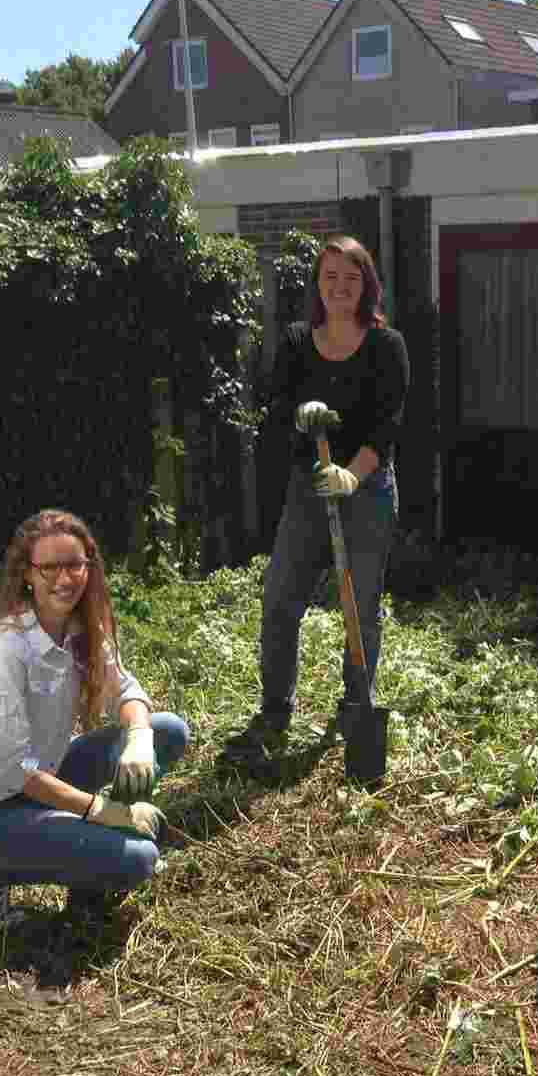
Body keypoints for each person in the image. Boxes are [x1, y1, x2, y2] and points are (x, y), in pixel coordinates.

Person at [0, 509, 189, 928]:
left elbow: (125, 692)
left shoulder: (80, 629)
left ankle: (91, 857)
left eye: (74, 564)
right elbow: (12, 769)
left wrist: (139, 737)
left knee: (167, 730)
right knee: (140, 859)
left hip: (44, 776)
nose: (65, 578)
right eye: (49, 567)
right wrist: (99, 809)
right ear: (27, 575)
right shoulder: (5, 648)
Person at [224, 235, 410, 761]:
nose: (340, 287)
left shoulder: (386, 345)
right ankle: (275, 709)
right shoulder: (296, 341)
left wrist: (352, 475)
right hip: (309, 490)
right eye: (330, 277)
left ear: (366, 285)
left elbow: (387, 422)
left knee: (360, 604)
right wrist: (299, 418)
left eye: (351, 278)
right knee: (281, 597)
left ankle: (357, 706)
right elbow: (278, 402)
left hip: (367, 489)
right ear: (318, 283)